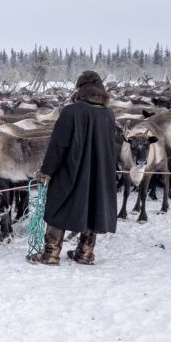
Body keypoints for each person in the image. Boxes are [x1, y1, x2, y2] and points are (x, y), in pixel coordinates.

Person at [28, 71, 118, 265]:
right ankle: (85, 253)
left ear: (80, 89)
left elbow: (58, 146)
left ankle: (50, 254)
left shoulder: (71, 112)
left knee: (59, 205)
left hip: (72, 169)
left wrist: (47, 171)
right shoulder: (108, 114)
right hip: (99, 173)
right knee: (93, 207)